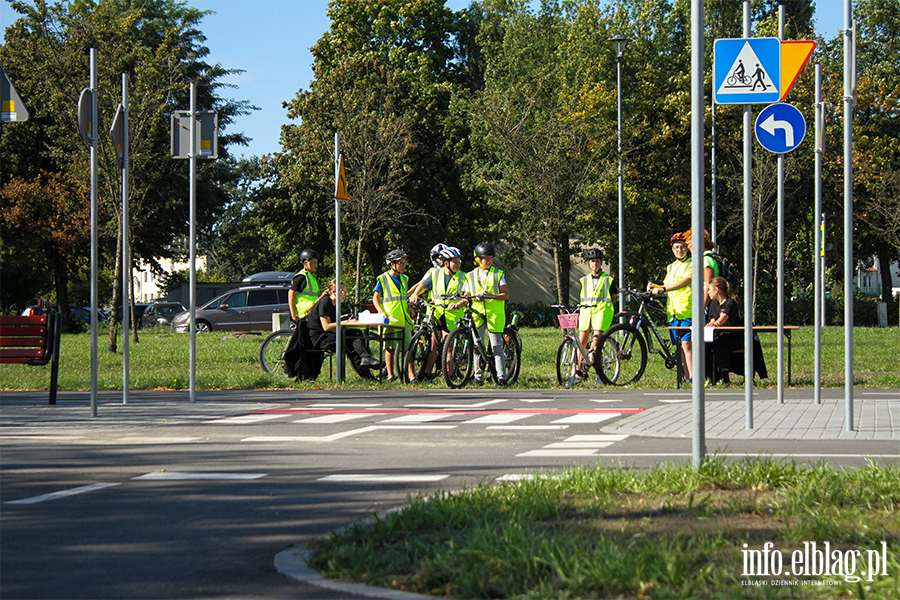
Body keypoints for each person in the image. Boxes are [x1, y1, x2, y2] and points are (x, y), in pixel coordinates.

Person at [409, 246, 466, 381]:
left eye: (459, 261)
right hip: (437, 313)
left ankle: (449, 374)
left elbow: (467, 296)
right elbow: (422, 285)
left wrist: (459, 304)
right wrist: (415, 294)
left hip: (453, 316)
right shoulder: (435, 274)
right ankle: (427, 374)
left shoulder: (463, 277)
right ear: (446, 263)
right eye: (455, 261)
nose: (458, 264)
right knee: (433, 345)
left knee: (448, 345)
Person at [307, 279, 383, 378]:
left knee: (354, 333)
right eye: (342, 292)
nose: (345, 294)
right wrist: (345, 322)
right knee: (349, 342)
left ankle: (366, 362)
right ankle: (366, 369)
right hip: (320, 339)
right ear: (334, 292)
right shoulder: (325, 303)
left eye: (345, 292)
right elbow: (326, 327)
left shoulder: (333, 304)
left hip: (328, 336)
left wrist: (347, 322)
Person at [647, 232, 694, 383]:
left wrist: (664, 289)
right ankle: (685, 377)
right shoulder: (671, 267)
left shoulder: (692, 264)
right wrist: (654, 286)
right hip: (673, 312)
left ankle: (692, 377)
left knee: (687, 345)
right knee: (679, 347)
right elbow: (665, 285)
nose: (679, 250)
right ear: (672, 250)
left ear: (687, 248)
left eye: (681, 247)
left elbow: (685, 282)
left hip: (687, 310)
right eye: (676, 248)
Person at [462, 242, 508, 385]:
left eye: (490, 258)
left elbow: (505, 295)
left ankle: (501, 377)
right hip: (477, 313)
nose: (488, 261)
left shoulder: (498, 274)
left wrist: (491, 296)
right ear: (477, 259)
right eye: (484, 258)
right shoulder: (469, 276)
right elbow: (466, 294)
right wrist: (461, 302)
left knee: (496, 345)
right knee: (477, 345)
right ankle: (478, 376)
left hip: (494, 313)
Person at [575, 248, 616, 383]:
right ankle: (578, 372)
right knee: (581, 343)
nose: (595, 264)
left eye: (597, 261)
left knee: (597, 343)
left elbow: (613, 298)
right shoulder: (584, 280)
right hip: (586, 313)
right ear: (588, 263)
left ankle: (600, 374)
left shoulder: (608, 279)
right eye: (592, 262)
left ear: (601, 263)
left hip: (601, 312)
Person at [373, 249, 412, 381]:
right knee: (390, 348)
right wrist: (381, 312)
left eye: (404, 263)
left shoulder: (404, 279)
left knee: (408, 347)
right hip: (390, 318)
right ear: (392, 264)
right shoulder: (383, 279)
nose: (403, 266)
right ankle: (390, 374)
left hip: (403, 318)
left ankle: (411, 375)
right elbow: (375, 298)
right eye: (401, 263)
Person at [705, 276, 743, 385]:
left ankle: (725, 377)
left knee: (720, 347)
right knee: (704, 347)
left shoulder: (730, 302)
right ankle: (712, 376)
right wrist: (709, 325)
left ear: (716, 290)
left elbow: (723, 318)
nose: (707, 293)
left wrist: (716, 324)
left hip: (733, 336)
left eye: (709, 290)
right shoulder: (713, 304)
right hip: (719, 336)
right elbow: (713, 319)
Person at [685, 229, 717, 306]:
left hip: (712, 303)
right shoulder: (706, 258)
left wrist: (702, 308)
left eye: (689, 242)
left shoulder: (706, 260)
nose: (688, 246)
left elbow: (708, 285)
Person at [288, 249, 320, 323]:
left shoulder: (311, 277)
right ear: (306, 262)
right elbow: (291, 294)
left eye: (316, 262)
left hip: (313, 310)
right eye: (313, 262)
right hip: (305, 312)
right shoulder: (301, 277)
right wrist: (293, 314)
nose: (316, 265)